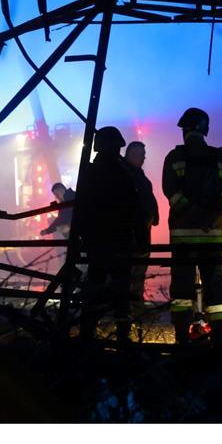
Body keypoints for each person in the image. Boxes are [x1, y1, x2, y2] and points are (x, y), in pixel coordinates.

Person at [163, 107, 222, 347]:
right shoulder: (220, 159)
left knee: (182, 290)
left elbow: (171, 192)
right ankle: (218, 340)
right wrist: (212, 216)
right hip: (212, 236)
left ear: (184, 131)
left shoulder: (174, 158)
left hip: (183, 238)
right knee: (215, 288)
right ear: (205, 130)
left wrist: (193, 214)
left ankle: (182, 340)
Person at [82, 126, 143, 344]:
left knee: (96, 286)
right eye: (116, 147)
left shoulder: (89, 173)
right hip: (118, 241)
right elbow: (133, 206)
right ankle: (123, 337)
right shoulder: (121, 174)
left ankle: (87, 332)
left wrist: (84, 238)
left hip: (98, 242)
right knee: (121, 292)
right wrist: (139, 236)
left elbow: (83, 209)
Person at [123, 141, 159, 314]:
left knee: (136, 275)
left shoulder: (138, 176)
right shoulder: (126, 175)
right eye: (141, 154)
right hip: (131, 237)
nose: (144, 157)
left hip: (140, 235)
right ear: (130, 154)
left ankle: (133, 310)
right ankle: (128, 312)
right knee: (129, 275)